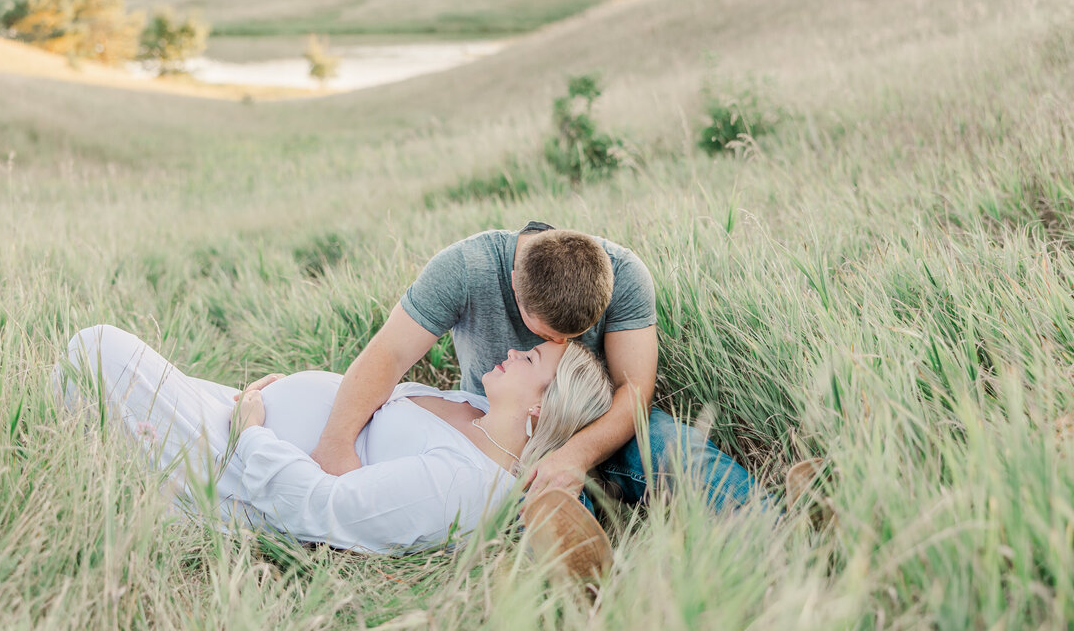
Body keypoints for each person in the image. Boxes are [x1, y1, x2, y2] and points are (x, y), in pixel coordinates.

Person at [304, 221, 761, 514]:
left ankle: (775, 522)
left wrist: (578, 453)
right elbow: (389, 355)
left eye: (574, 334)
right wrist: (336, 443)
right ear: (514, 287)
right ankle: (579, 560)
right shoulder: (465, 268)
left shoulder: (626, 273)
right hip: (506, 437)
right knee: (530, 490)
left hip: (601, 424)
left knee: (670, 445)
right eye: (546, 335)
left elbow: (636, 387)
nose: (561, 344)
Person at [56, 324, 613, 553]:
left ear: (541, 407)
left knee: (94, 349)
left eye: (531, 357)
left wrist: (253, 430)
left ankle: (141, 482)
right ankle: (117, 458)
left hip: (240, 475)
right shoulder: (473, 408)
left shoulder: (465, 485)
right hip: (244, 428)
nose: (514, 351)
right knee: (90, 374)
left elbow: (323, 508)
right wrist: (271, 399)